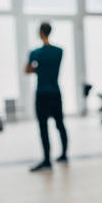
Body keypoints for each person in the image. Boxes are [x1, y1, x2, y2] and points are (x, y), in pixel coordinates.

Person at [25, 22, 68, 172]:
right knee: (60, 124)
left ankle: (46, 160)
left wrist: (38, 68)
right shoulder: (59, 51)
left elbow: (28, 69)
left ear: (40, 33)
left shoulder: (35, 53)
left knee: (43, 127)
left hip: (42, 93)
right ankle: (64, 155)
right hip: (55, 92)